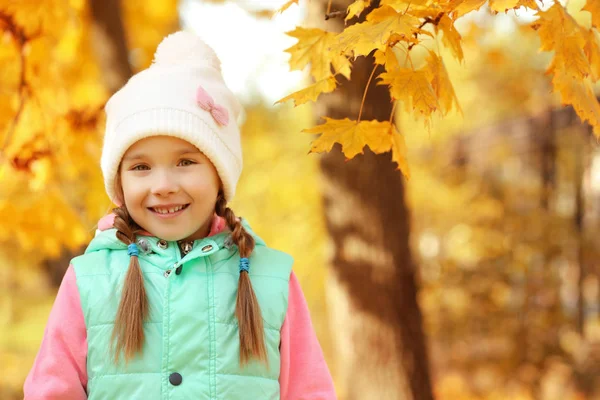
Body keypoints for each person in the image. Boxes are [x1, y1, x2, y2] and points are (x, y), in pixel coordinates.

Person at [23, 30, 336, 400]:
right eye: (141, 167)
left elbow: (309, 391)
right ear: (119, 182)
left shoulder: (271, 279)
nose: (163, 185)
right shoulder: (90, 279)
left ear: (220, 177)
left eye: (186, 162)